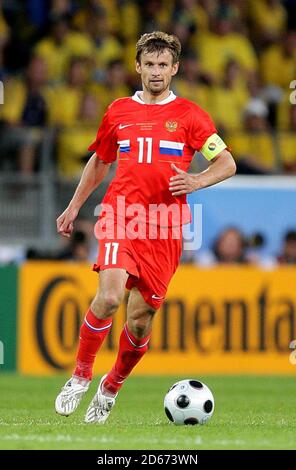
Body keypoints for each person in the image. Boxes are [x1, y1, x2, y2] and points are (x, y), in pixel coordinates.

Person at [55, 31, 236, 424]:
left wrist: (196, 181)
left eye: (163, 65)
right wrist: (73, 207)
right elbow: (100, 162)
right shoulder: (118, 110)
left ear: (175, 68)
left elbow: (226, 163)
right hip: (121, 215)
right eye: (149, 64)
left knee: (138, 323)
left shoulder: (191, 115)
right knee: (108, 296)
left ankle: (111, 386)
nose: (156, 72)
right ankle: (81, 374)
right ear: (138, 66)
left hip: (166, 227)